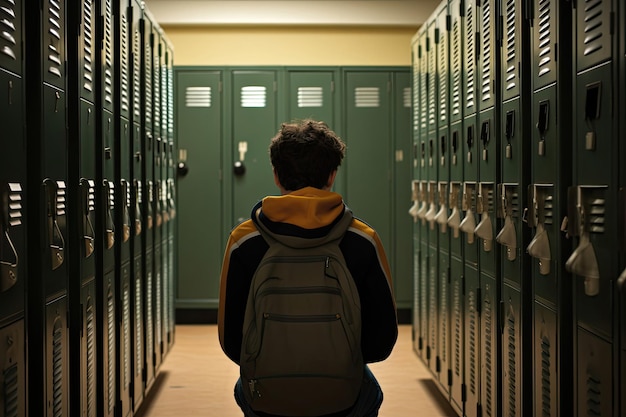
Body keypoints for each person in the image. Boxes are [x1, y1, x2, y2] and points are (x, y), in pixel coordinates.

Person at [217, 119, 398, 417]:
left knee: (243, 387)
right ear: (332, 174)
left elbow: (231, 342)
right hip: (342, 397)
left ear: (276, 176)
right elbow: (381, 343)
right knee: (370, 391)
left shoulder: (243, 241)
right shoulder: (363, 240)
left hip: (269, 398)